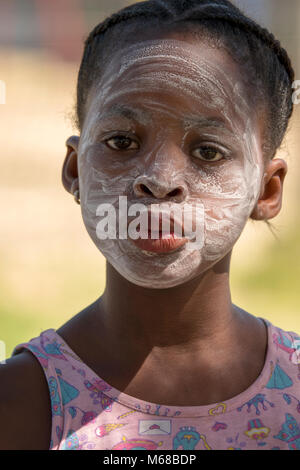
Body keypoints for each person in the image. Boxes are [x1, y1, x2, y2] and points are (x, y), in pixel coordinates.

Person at [1, 0, 300, 451]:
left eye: (208, 152)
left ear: (267, 190)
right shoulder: (20, 402)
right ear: (75, 169)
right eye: (122, 141)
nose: (159, 180)